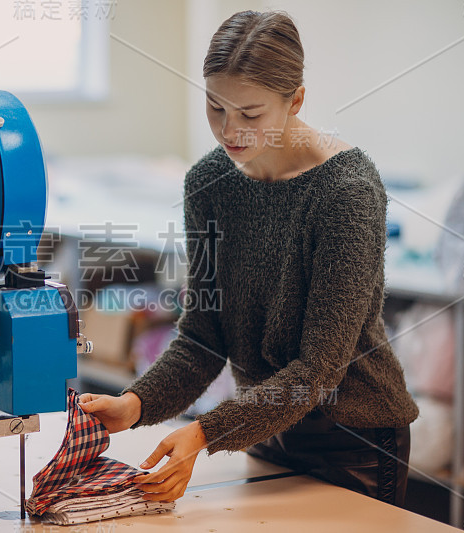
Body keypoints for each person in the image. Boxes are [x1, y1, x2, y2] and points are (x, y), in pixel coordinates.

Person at [79, 10, 419, 507]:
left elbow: (318, 370)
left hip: (353, 440)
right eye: (215, 108)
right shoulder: (209, 182)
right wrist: (136, 404)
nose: (229, 130)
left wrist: (204, 433)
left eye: (251, 114)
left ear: (295, 100)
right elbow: (202, 338)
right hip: (265, 424)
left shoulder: (347, 193)